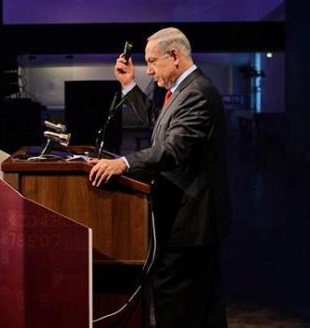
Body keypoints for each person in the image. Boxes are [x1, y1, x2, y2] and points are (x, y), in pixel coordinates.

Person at [89, 27, 231, 328]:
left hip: (190, 226)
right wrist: (129, 84)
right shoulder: (183, 91)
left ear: (175, 56)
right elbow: (160, 125)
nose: (149, 70)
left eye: (152, 62)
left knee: (179, 309)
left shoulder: (197, 93)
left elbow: (171, 149)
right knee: (204, 310)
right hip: (190, 223)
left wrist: (123, 164)